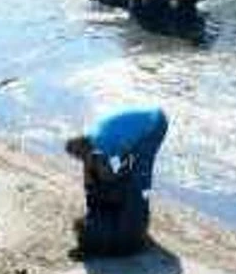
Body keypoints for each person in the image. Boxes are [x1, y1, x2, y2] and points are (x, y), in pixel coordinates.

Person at [64, 106, 169, 257]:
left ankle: (140, 219)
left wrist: (109, 178)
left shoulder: (104, 144)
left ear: (83, 149)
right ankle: (136, 215)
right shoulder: (91, 139)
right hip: (138, 125)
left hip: (155, 125)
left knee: (141, 177)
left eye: (78, 156)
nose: (78, 160)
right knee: (126, 173)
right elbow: (104, 167)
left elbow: (111, 172)